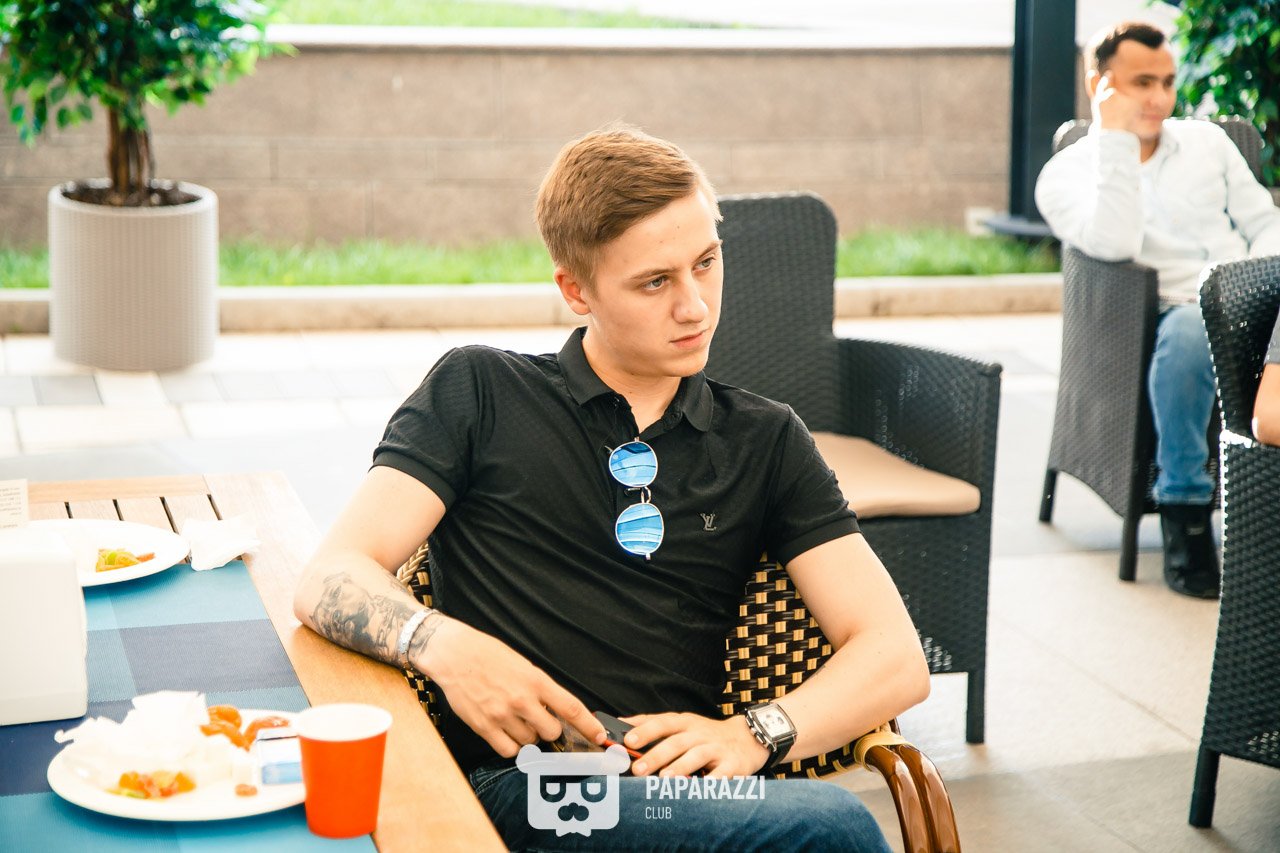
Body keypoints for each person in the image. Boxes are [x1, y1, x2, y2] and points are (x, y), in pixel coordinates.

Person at [292, 124, 930, 851]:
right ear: (575, 290)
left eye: (706, 263)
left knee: (824, 823)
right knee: (834, 827)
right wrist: (445, 646)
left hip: (676, 795)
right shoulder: (482, 390)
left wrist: (754, 733)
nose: (695, 306)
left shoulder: (766, 439)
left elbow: (895, 655)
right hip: (527, 788)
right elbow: (327, 576)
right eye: (656, 282)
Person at [1035, 21, 1280, 599]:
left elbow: (1264, 224)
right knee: (1193, 332)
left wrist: (1259, 282)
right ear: (1099, 84)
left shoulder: (1209, 143)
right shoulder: (1065, 175)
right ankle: (1185, 511)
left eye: (1167, 82)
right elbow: (1114, 245)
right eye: (1141, 83)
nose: (1159, 98)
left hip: (1251, 297)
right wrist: (1117, 142)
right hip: (1165, 313)